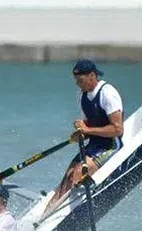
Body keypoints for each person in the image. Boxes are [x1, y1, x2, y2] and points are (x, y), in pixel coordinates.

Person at [42, 59, 124, 216]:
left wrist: (87, 129)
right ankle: (41, 222)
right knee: (67, 178)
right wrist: (81, 132)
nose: (77, 84)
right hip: (93, 145)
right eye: (76, 81)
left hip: (111, 146)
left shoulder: (108, 94)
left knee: (78, 173)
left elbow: (117, 129)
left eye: (80, 81)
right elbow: (90, 126)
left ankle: (65, 217)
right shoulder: (82, 96)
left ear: (92, 75)